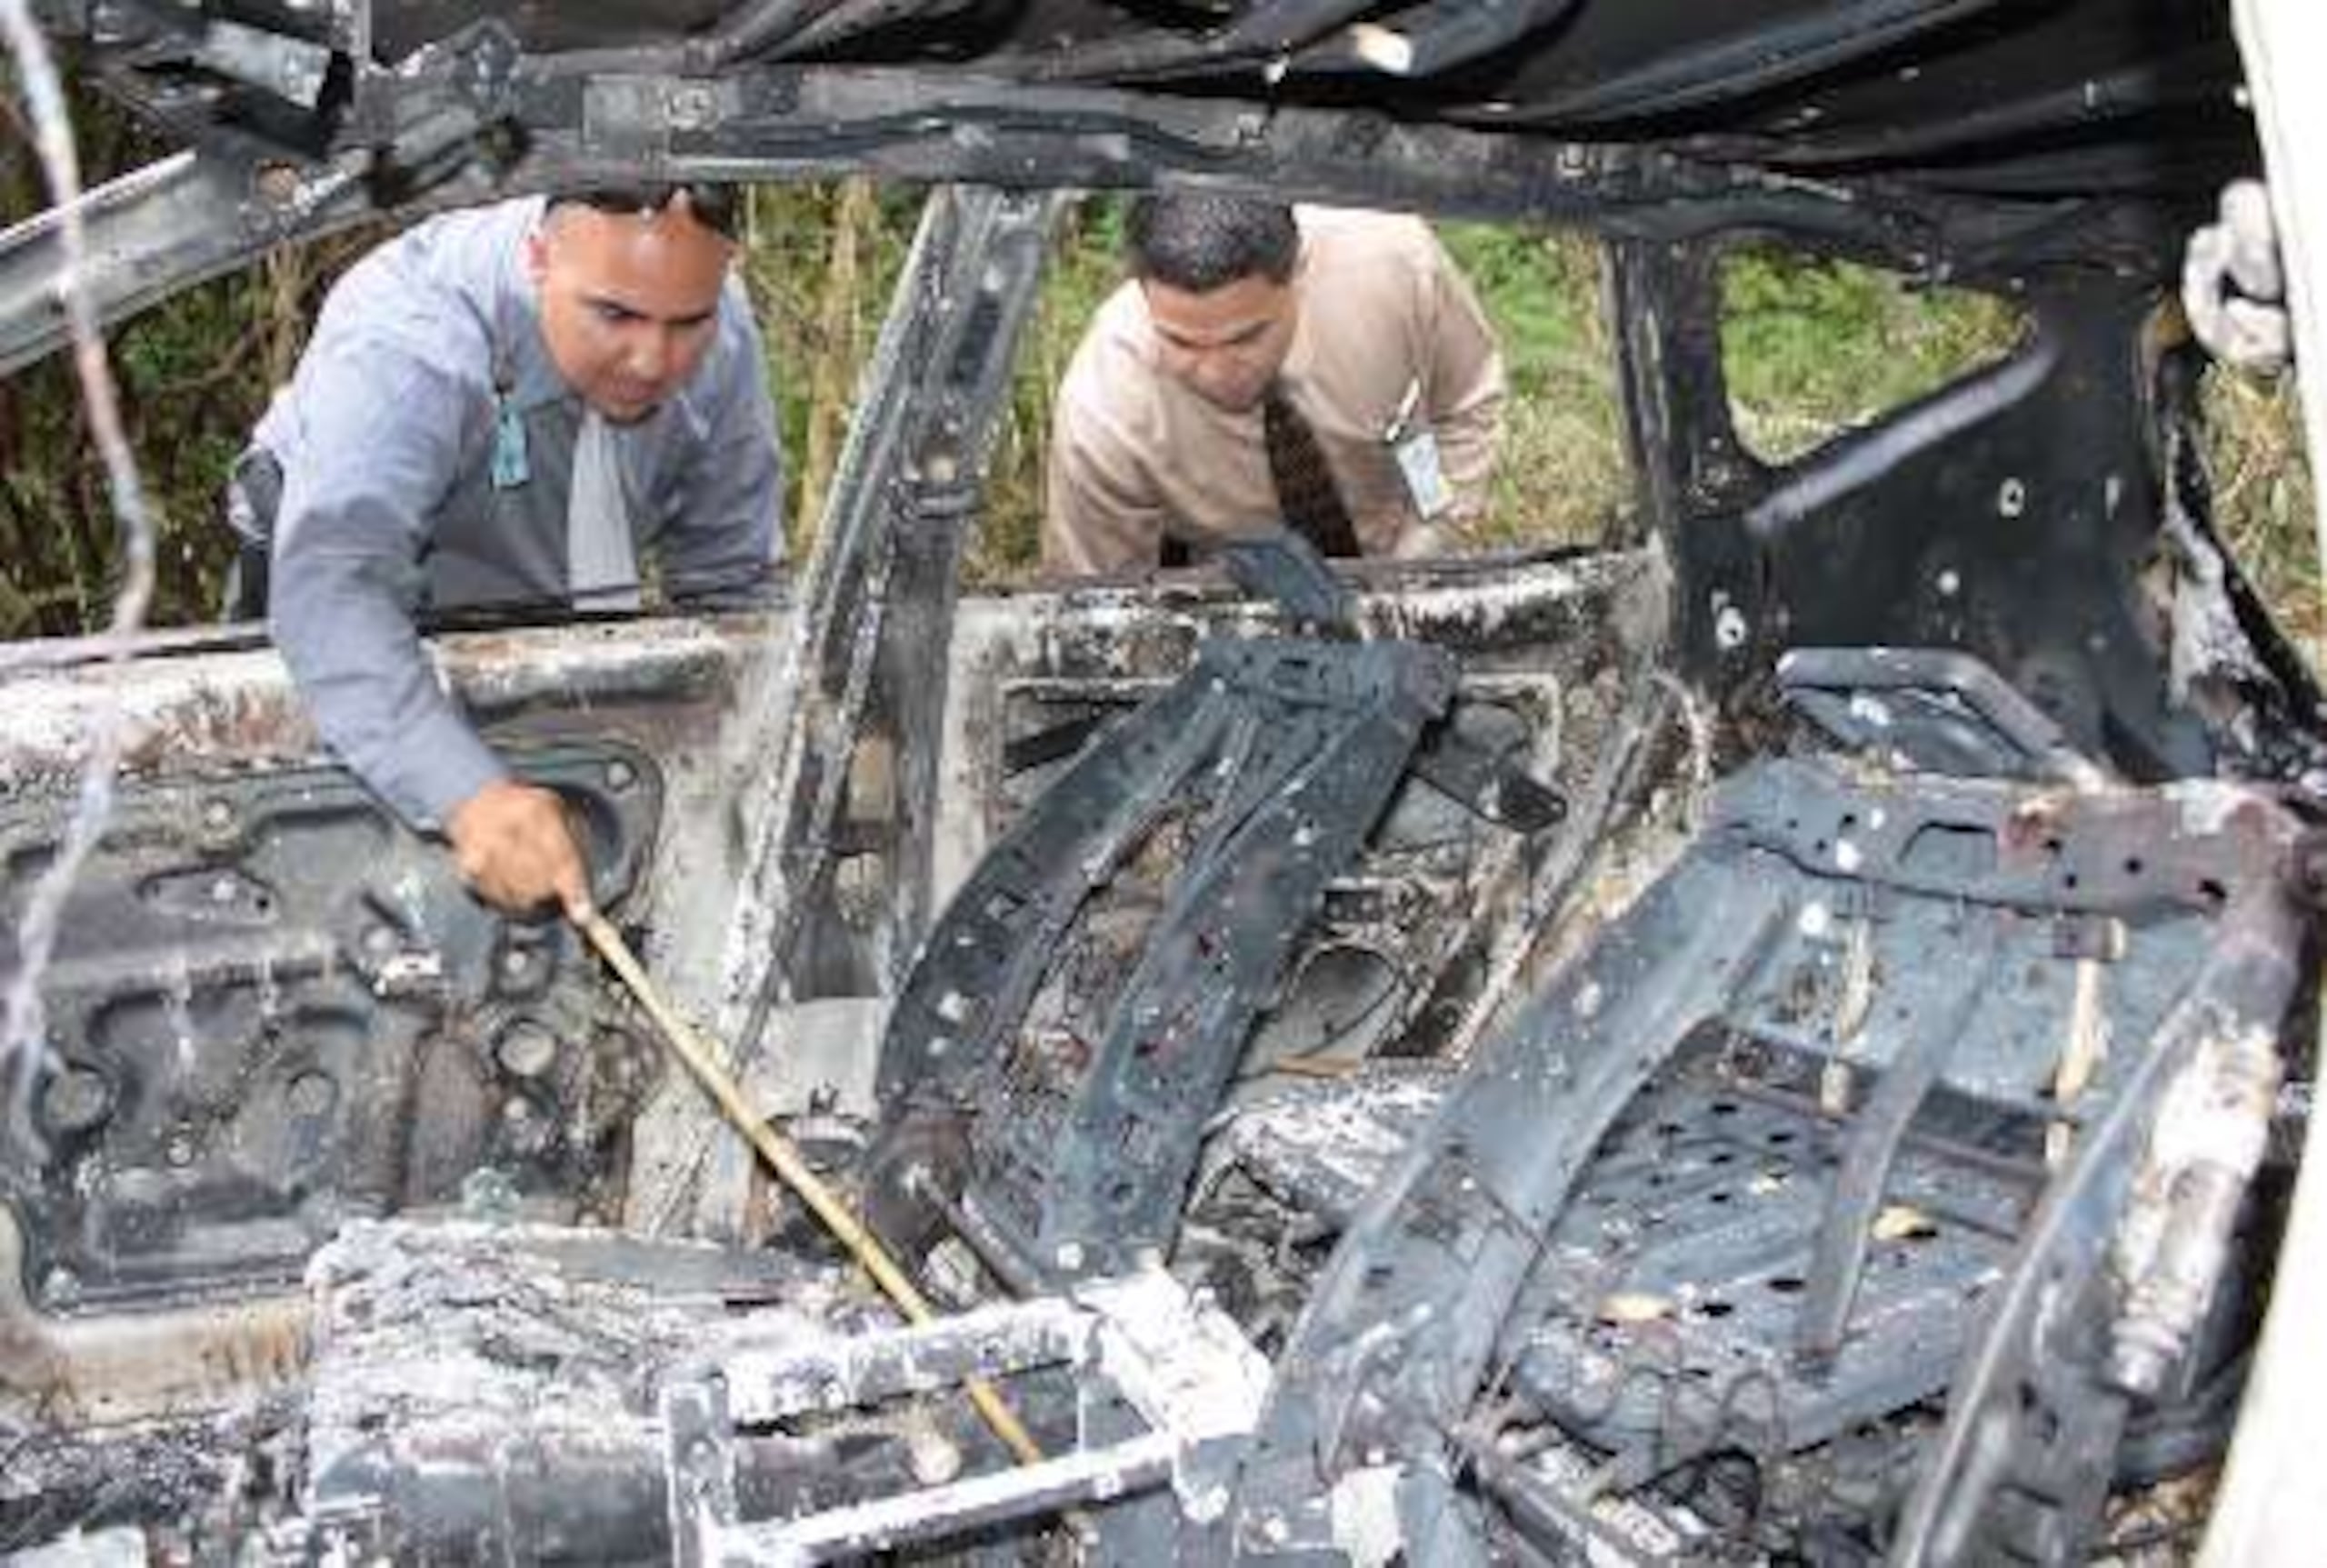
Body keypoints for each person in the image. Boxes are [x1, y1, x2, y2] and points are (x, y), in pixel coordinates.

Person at [227, 186, 784, 920]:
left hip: (552, 610)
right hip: (357, 628)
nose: (652, 360)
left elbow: (732, 583)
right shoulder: (409, 339)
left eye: (687, 323)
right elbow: (336, 589)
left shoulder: (722, 325)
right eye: (614, 314)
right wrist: (468, 795)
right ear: (537, 258)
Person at [1044, 194, 1505, 574]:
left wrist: (1426, 547)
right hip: (1219, 590)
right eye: (1181, 343)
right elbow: (1099, 602)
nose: (1216, 372)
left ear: (1298, 275)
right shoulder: (1104, 410)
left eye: (1246, 337)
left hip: (1397, 549)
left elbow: (1465, 413)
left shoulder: (1396, 269)